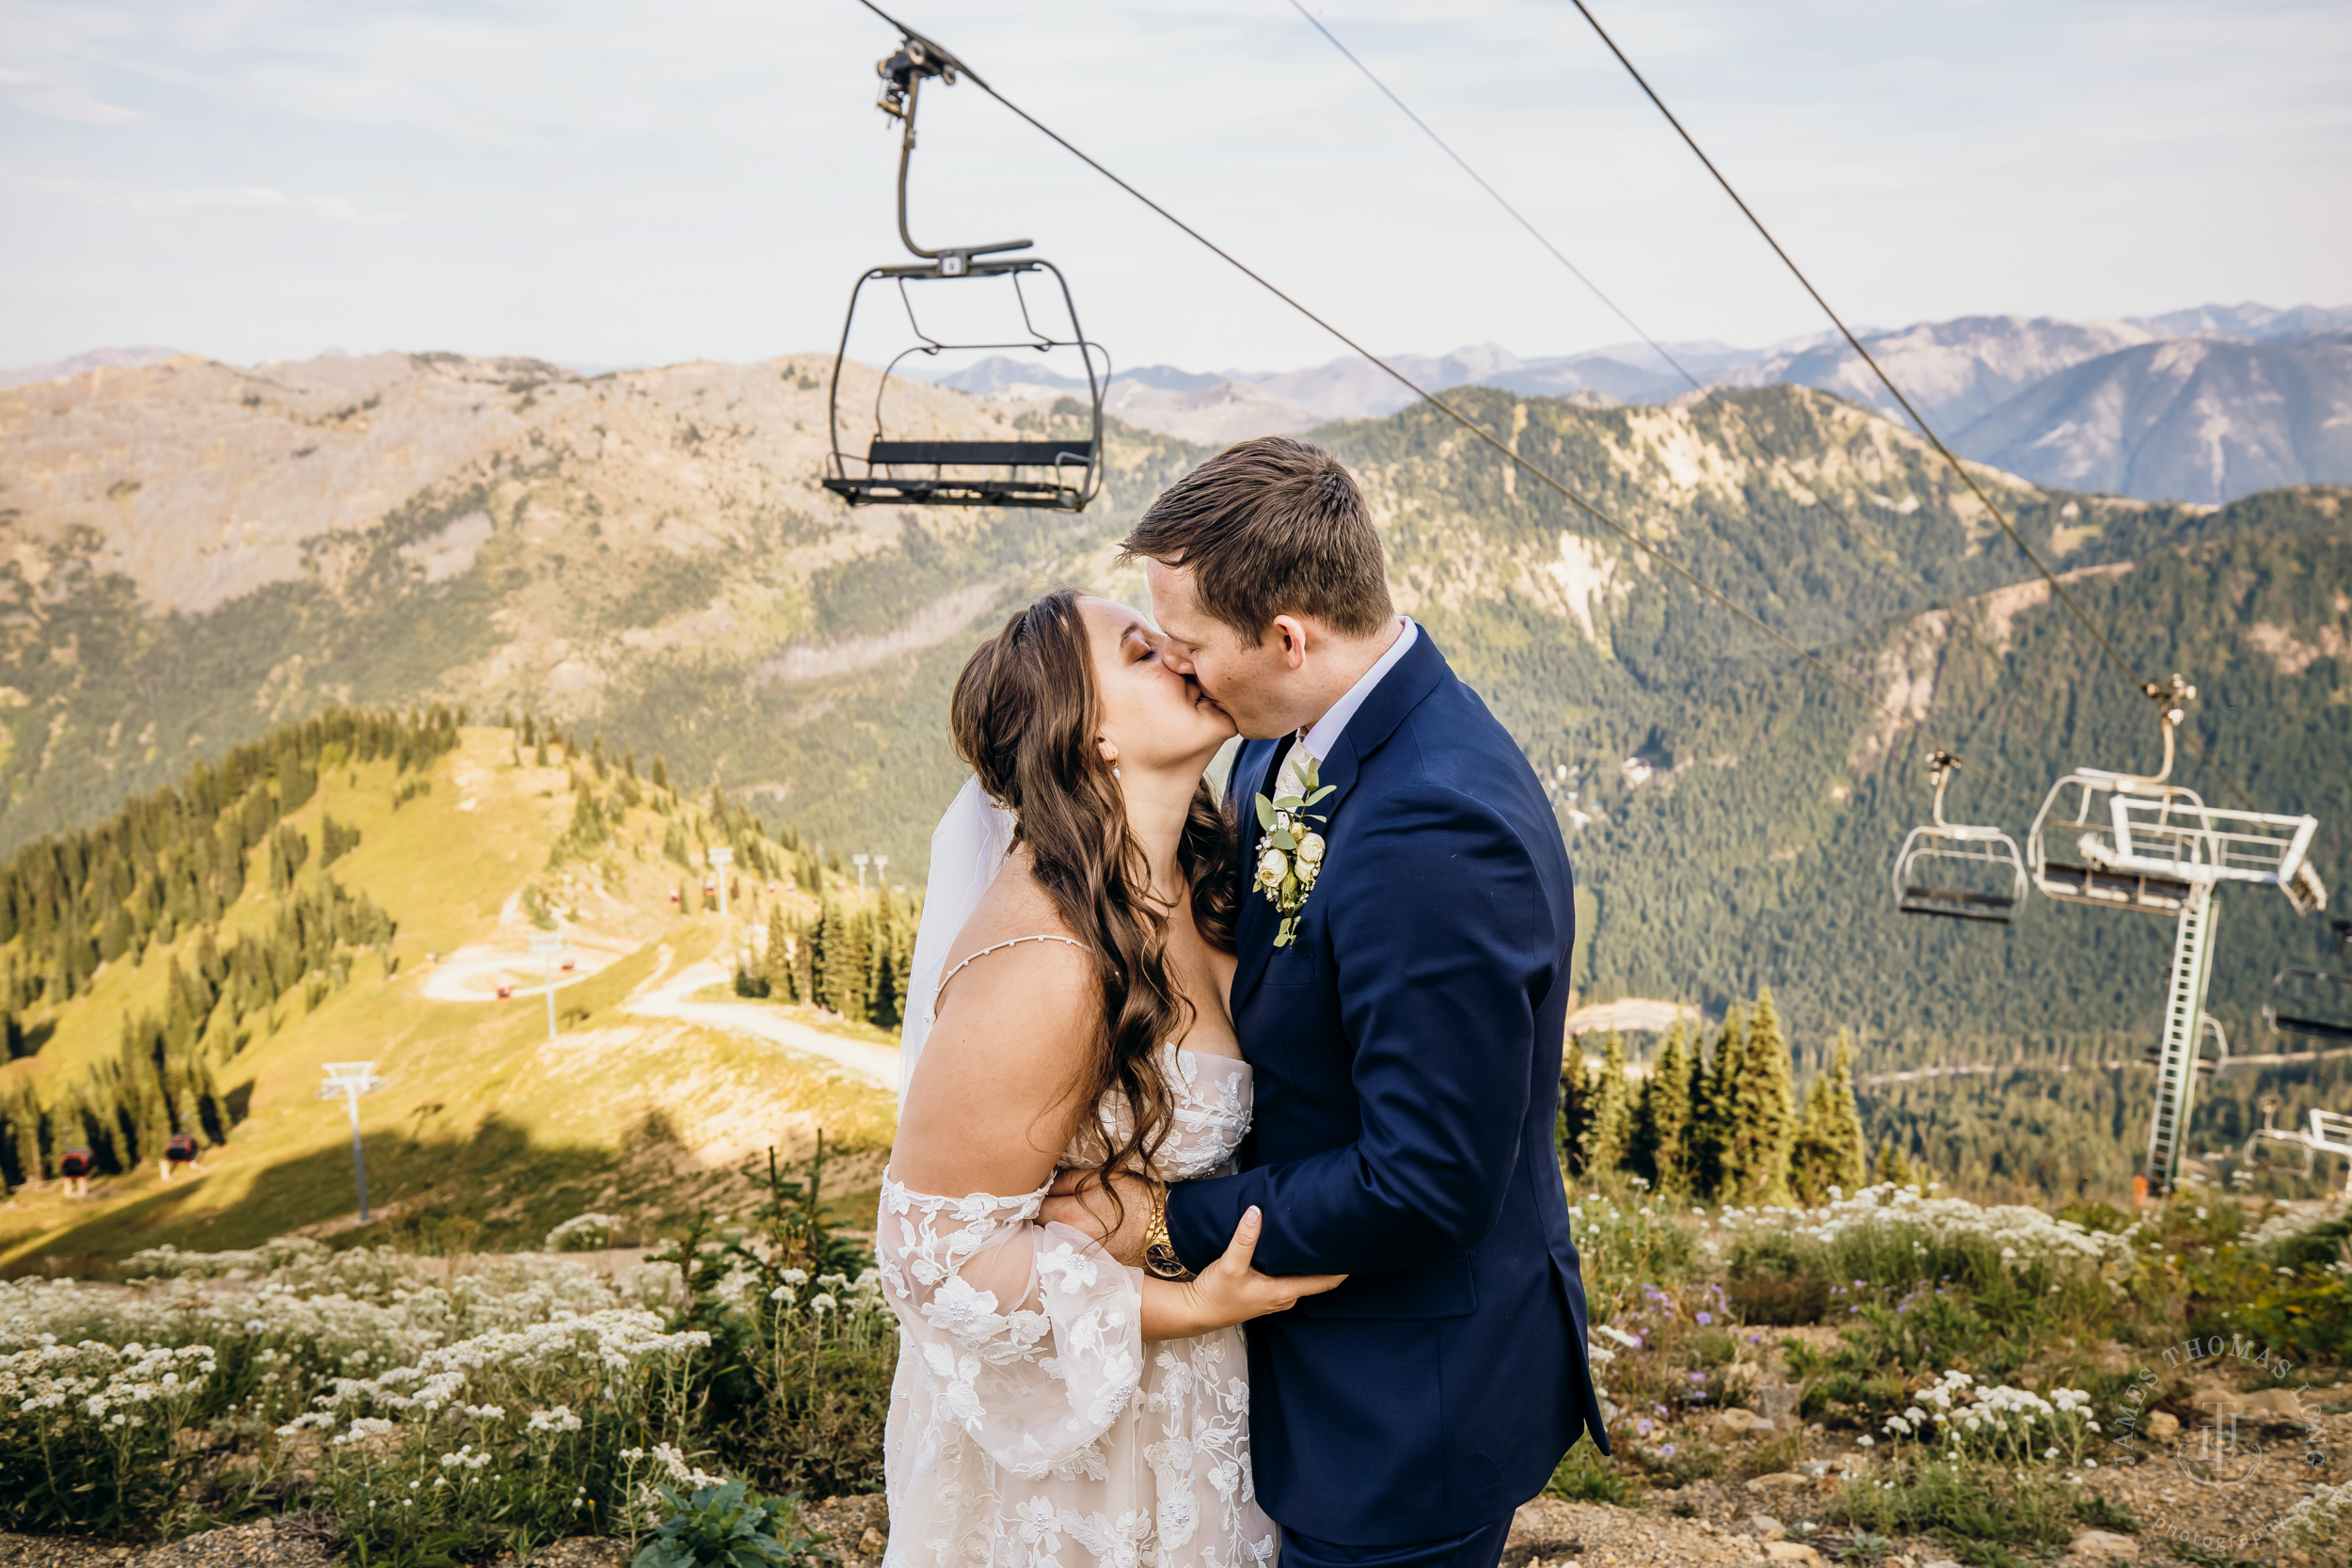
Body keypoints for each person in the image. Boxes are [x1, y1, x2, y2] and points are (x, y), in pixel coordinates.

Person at [1041, 436, 1609, 1568]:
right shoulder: (1282, 744)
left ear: (1289, 637)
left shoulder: (1433, 826)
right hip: (1310, 1364)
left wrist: (1155, 1222)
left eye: (1192, 647)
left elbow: (1426, 1178)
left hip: (1408, 1400)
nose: (1182, 674)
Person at [882, 587, 1343, 1565]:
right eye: (1143, 650)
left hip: (1219, 1405)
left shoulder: (1208, 876)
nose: (1183, 651)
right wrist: (1183, 1305)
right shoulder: (1046, 956)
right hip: (1094, 1441)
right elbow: (933, 1257)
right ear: (1090, 734)